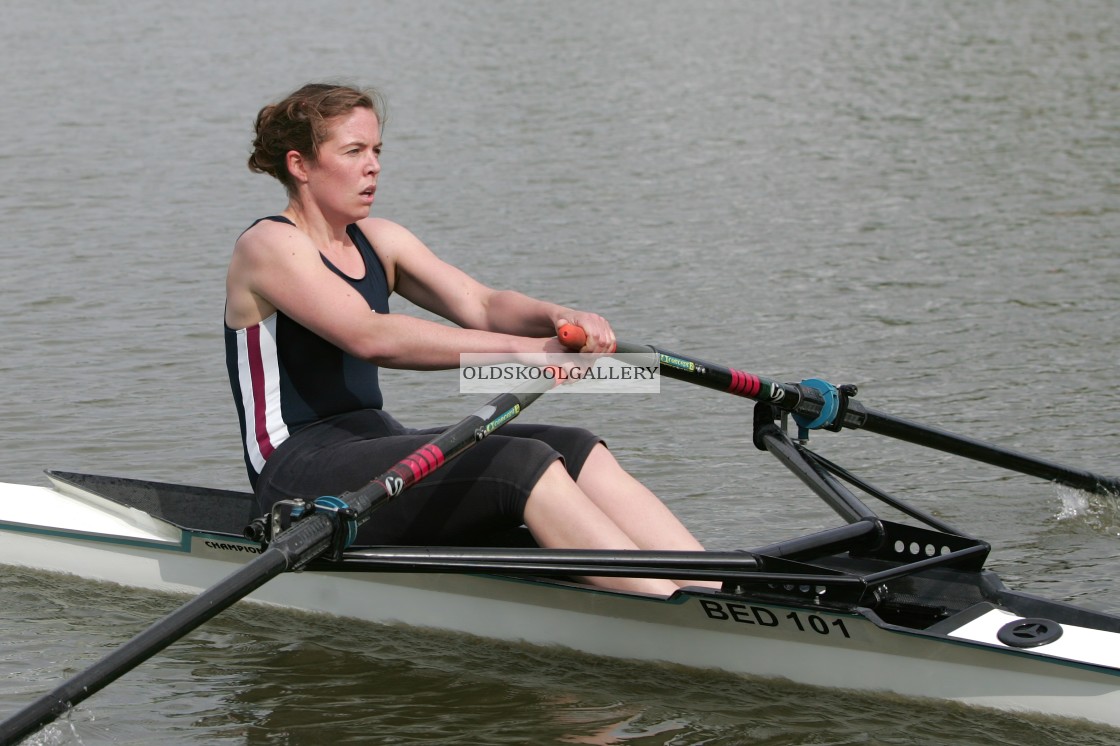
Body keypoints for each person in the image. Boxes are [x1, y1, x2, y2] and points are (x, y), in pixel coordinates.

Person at [224, 82, 718, 596]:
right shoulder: (269, 245)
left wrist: (557, 316)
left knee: (571, 446)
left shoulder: (380, 240)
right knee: (517, 463)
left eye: (376, 151)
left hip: (372, 446)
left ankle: (715, 594)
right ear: (300, 165)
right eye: (353, 152)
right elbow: (370, 336)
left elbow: (480, 304)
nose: (373, 166)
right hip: (296, 472)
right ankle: (672, 613)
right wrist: (527, 355)